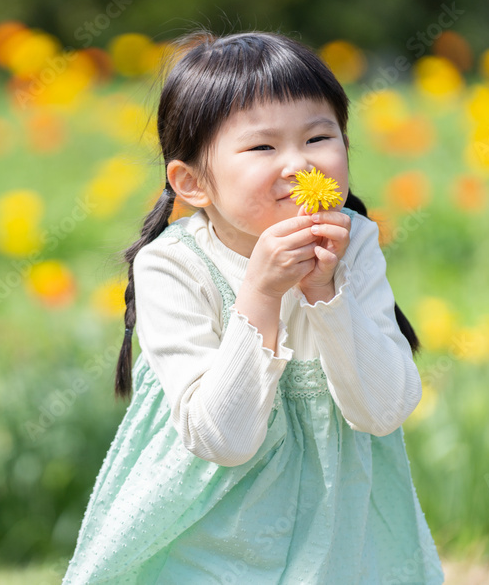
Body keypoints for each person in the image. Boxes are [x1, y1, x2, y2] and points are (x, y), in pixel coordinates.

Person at [62, 30, 444, 584]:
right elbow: (224, 440)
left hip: (334, 530)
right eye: (263, 148)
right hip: (206, 522)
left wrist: (326, 293)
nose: (299, 165)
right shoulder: (173, 266)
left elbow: (383, 411)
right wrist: (261, 295)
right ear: (191, 182)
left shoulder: (354, 244)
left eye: (319, 138)